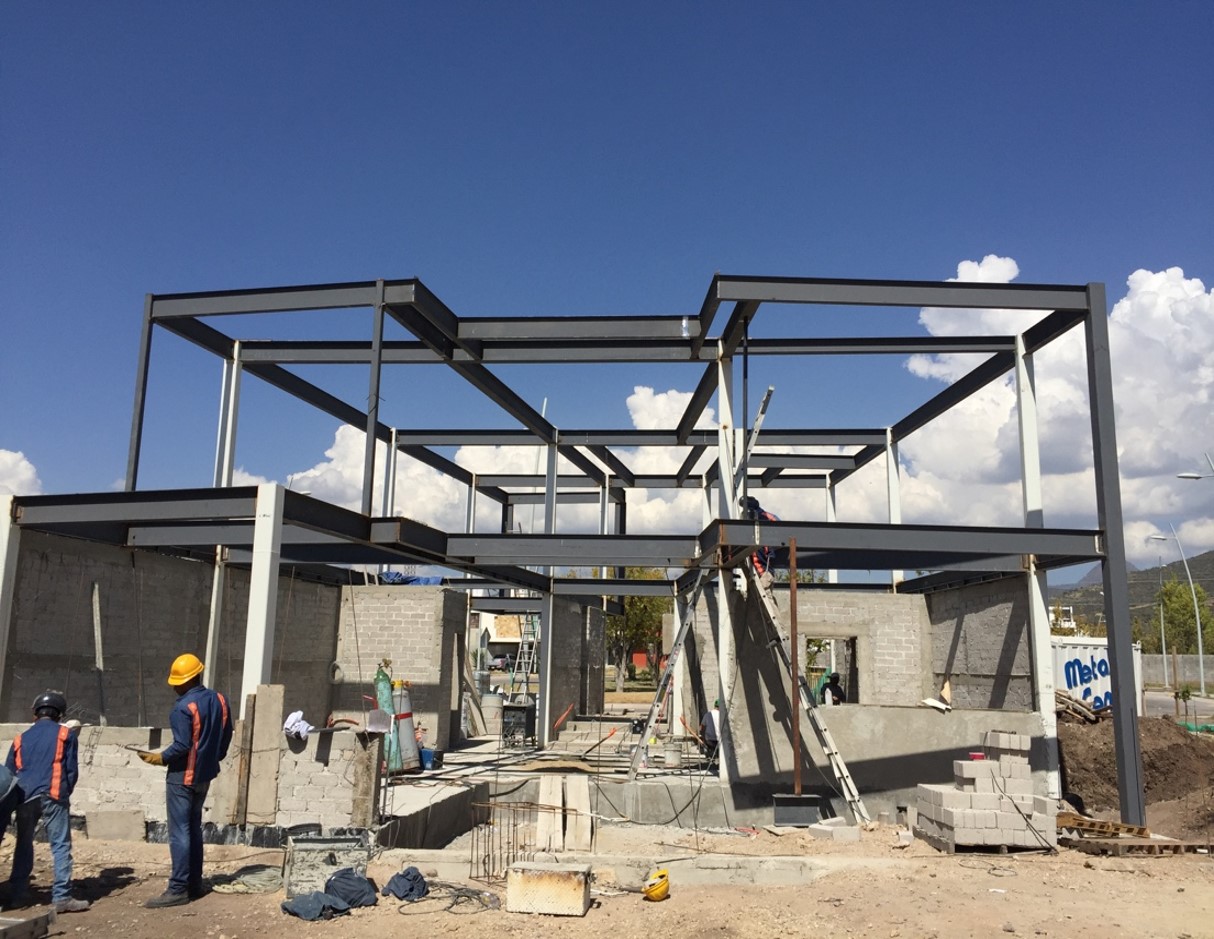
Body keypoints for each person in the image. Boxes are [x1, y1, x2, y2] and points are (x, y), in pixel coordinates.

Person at [138, 653, 233, 908]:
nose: (174, 687)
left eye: (177, 682)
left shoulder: (182, 708)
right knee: (193, 829)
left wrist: (160, 758)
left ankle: (178, 888)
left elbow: (182, 745)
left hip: (183, 777)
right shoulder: (220, 700)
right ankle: (194, 884)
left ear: (188, 680)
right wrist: (215, 757)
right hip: (205, 776)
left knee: (180, 832)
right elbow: (226, 734)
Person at [3, 691, 90, 913]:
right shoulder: (65, 734)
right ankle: (61, 897)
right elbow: (71, 770)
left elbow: (9, 774)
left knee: (23, 843)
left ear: (35, 714)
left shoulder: (20, 739)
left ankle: (19, 894)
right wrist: (64, 793)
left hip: (24, 796)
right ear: (60, 715)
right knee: (60, 844)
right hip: (53, 794)